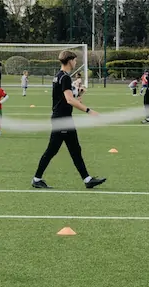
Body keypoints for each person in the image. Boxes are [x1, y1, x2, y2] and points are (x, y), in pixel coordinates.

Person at [32, 50, 106, 190]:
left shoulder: (60, 76)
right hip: (62, 119)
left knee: (73, 149)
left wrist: (79, 94)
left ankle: (87, 179)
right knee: (54, 150)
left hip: (62, 118)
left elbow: (66, 97)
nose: (76, 62)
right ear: (70, 60)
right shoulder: (65, 77)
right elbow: (69, 99)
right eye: (75, 60)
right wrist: (89, 111)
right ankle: (37, 179)